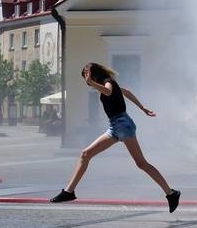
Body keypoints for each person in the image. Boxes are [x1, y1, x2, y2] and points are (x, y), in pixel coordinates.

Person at [50, 62, 181, 213]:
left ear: (94, 73)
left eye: (87, 74)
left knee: (142, 163)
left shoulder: (108, 83)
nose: (86, 79)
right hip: (115, 127)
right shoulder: (108, 83)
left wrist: (92, 83)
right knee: (85, 154)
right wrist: (142, 108)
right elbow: (127, 92)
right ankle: (69, 191)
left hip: (123, 125)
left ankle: (171, 193)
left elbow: (108, 92)